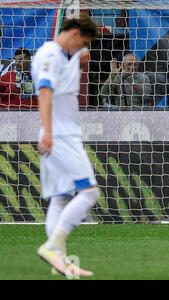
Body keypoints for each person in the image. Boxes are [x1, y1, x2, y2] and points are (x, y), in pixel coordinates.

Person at [32, 13, 100, 276]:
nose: (82, 49)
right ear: (74, 35)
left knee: (60, 197)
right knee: (90, 192)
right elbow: (45, 91)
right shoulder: (50, 54)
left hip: (60, 133)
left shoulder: (62, 57)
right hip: (59, 136)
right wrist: (48, 131)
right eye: (83, 43)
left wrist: (77, 63)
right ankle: (52, 246)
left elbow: (60, 88)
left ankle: (58, 260)